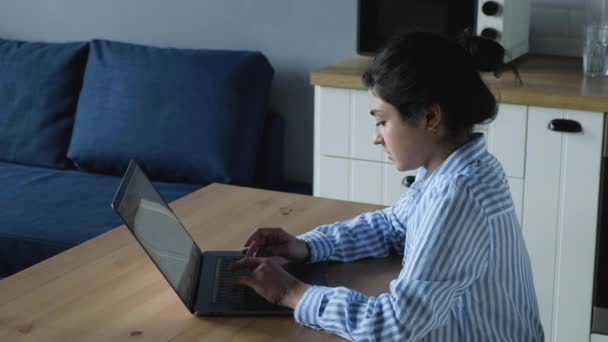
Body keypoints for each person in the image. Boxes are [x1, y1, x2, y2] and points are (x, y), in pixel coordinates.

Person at [234, 31, 545, 341]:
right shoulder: (452, 170)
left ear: (430, 117)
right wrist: (307, 246)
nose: (376, 137)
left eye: (382, 120)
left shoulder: (458, 193)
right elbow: (393, 225)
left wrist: (291, 293)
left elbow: (395, 324)